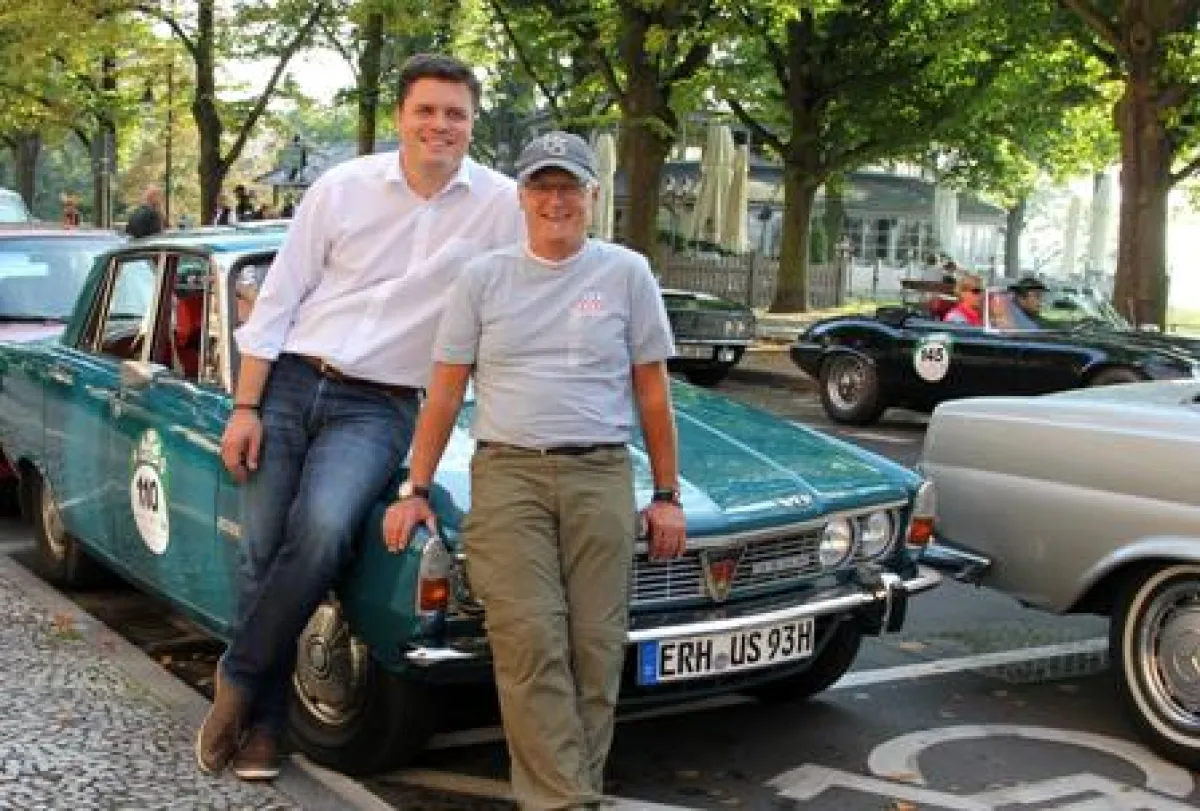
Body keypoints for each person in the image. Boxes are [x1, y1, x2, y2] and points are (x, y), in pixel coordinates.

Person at [198, 52, 524, 782]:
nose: (440, 124)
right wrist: (245, 405)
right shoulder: (343, 188)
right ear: (402, 116)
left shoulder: (502, 205)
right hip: (287, 383)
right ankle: (266, 729)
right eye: (427, 110)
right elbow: (278, 299)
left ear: (472, 123)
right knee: (260, 550)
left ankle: (239, 674)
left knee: (320, 529)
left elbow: (539, 280)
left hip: (379, 404)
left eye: (455, 113)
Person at [381, 131, 687, 810]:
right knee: (530, 640)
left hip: (601, 473)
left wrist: (666, 494)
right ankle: (568, 802)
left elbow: (653, 393)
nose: (557, 200)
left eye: (569, 186)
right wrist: (416, 487)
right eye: (543, 187)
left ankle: (567, 792)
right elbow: (445, 388)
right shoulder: (482, 278)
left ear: (591, 195)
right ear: (522, 196)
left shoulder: (627, 272)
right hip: (509, 475)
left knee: (596, 649)